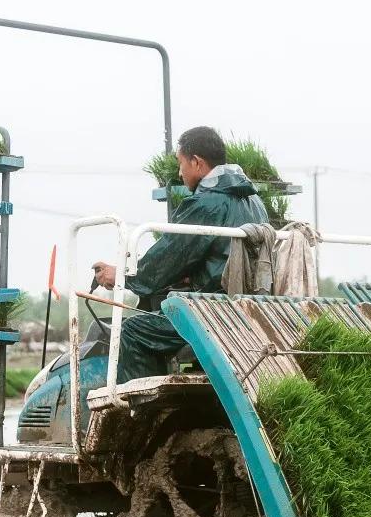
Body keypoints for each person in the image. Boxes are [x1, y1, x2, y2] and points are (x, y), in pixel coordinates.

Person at [92, 126, 268, 383]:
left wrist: (122, 276)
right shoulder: (254, 202)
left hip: (211, 309)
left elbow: (166, 260)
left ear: (197, 162)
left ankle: (140, 418)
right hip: (242, 306)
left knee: (132, 331)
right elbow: (215, 256)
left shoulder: (206, 203)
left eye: (181, 163)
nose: (179, 172)